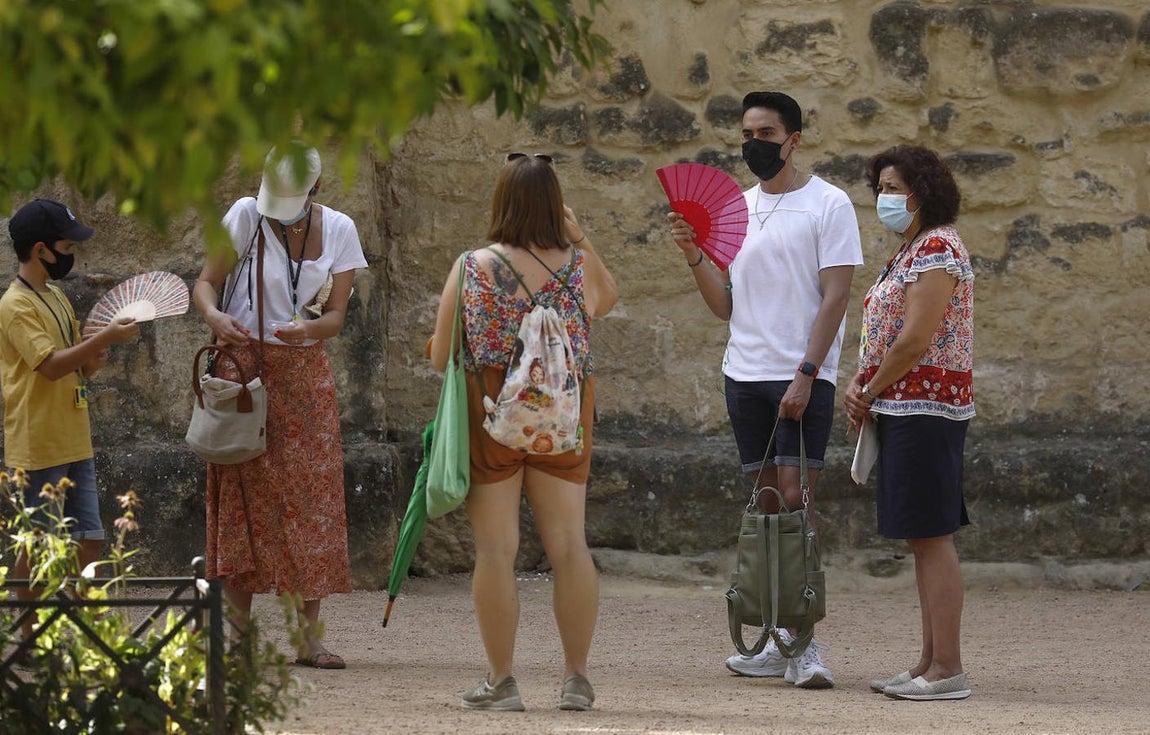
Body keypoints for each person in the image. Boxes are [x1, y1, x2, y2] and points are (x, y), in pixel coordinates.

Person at [668, 92, 862, 688]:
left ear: (794, 137)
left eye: (767, 131)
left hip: (801, 373)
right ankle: (775, 638)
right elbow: (725, 306)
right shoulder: (736, 207)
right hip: (744, 374)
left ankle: (805, 642)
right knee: (768, 507)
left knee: (797, 499)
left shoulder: (829, 204)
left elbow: (835, 295)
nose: (755, 142)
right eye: (747, 132)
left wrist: (807, 371)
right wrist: (695, 254)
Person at [429, 152, 617, 711]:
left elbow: (441, 357)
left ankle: (502, 680)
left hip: (492, 409)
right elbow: (605, 302)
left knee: (495, 549)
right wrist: (581, 241)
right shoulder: (577, 265)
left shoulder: (472, 265)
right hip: (563, 409)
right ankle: (577, 678)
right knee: (568, 545)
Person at [192, 143, 368, 669]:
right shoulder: (245, 215)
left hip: (304, 372)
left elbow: (335, 316)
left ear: (316, 190)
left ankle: (307, 638)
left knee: (311, 499)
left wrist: (308, 330)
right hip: (243, 369)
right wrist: (216, 320)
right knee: (243, 497)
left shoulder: (339, 229)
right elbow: (206, 283)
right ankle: (239, 637)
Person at [844, 145, 974, 701]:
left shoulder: (939, 248)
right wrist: (864, 385)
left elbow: (916, 338)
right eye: (880, 188)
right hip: (903, 407)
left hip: (925, 408)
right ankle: (928, 660)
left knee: (932, 534)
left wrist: (867, 389)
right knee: (921, 537)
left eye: (893, 187)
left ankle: (948, 666)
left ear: (921, 191)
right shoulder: (910, 251)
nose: (883, 198)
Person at [1, 199, 139, 645]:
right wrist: (102, 338)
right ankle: (30, 637)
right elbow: (51, 366)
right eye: (65, 245)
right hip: (37, 440)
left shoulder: (56, 295)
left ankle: (77, 630)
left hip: (75, 437)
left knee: (90, 539)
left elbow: (78, 367)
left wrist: (99, 351)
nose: (70, 253)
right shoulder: (14, 304)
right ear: (40, 250)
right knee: (36, 545)